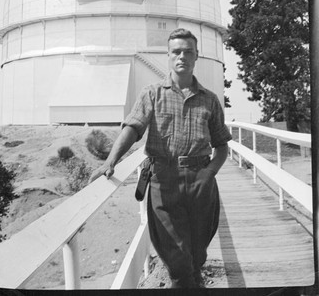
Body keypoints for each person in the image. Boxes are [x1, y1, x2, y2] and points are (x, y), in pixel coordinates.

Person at [89, 28, 232, 288]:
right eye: (176, 52)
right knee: (177, 261)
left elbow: (222, 147)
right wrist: (111, 161)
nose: (182, 57)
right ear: (168, 55)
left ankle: (192, 279)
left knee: (196, 256)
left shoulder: (210, 101)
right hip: (163, 182)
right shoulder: (152, 94)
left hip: (201, 181)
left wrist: (208, 174)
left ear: (196, 55)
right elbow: (132, 128)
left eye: (188, 52)